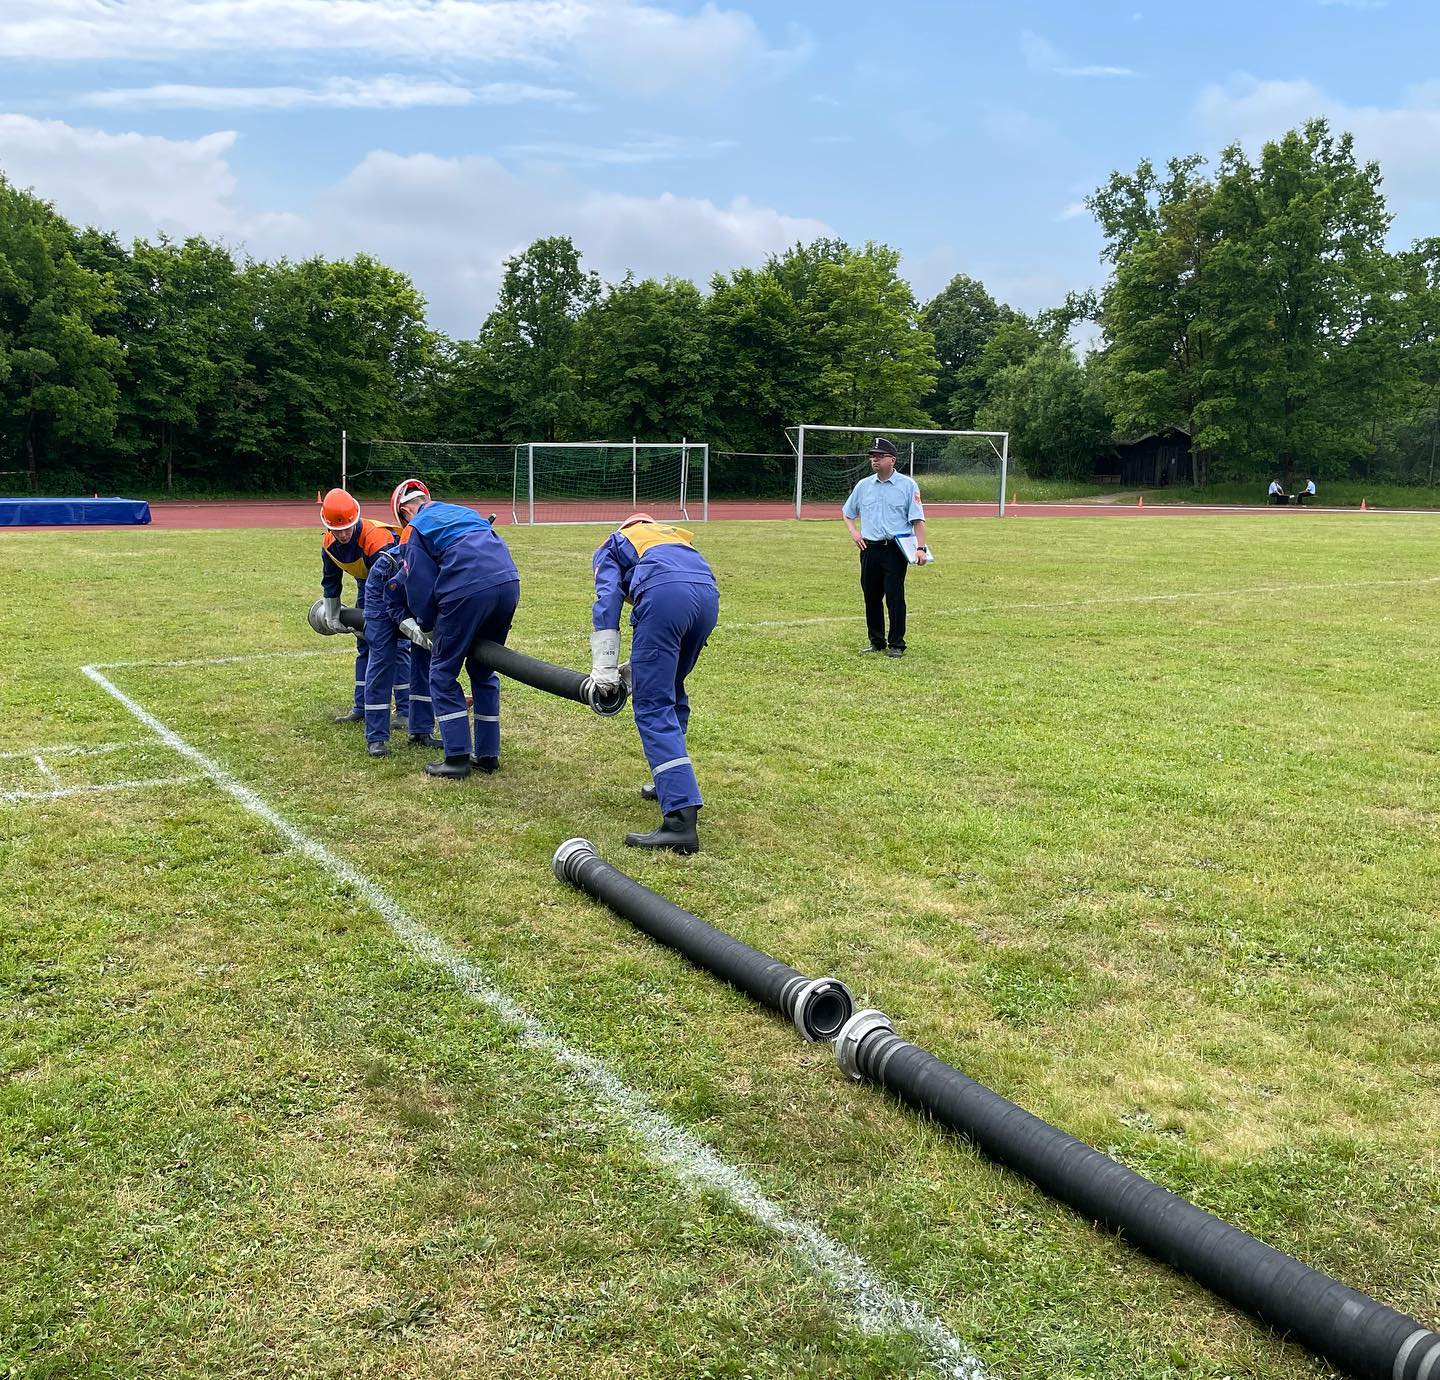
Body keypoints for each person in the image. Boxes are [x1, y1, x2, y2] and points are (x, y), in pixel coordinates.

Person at [590, 513, 719, 854]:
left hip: (665, 595)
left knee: (652, 704)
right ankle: (670, 784)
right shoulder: (673, 536)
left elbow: (608, 597)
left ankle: (679, 820)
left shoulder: (615, 543)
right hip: (707, 596)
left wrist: (604, 665)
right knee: (672, 691)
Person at [394, 483, 520, 780]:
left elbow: (419, 584)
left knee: (442, 673)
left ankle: (457, 757)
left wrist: (427, 626)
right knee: (484, 669)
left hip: (466, 589)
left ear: (404, 511)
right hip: (508, 582)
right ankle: (488, 753)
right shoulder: (463, 512)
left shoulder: (415, 528)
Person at [356, 479, 442, 758]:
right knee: (382, 660)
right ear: (407, 512)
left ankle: (421, 730)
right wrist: (408, 624)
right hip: (386, 587)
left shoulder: (436, 523)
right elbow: (395, 593)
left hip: (417, 586)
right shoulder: (417, 532)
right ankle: (376, 737)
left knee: (424, 660)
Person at [318, 487, 410, 725]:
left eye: (347, 528)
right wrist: (332, 614)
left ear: (356, 519)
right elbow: (331, 580)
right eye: (337, 530)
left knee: (397, 645)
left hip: (395, 584)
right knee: (365, 643)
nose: (343, 534)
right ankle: (362, 706)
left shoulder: (376, 538)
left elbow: (389, 583)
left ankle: (406, 711)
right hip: (366, 582)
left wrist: (379, 619)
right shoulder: (329, 544)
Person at [841, 438, 929, 657]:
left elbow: (918, 520)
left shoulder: (907, 485)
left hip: (894, 549)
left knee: (894, 597)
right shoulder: (864, 486)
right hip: (869, 549)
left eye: (880, 456)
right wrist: (854, 533)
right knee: (871, 596)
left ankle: (897, 644)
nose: (875, 460)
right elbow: (847, 512)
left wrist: (921, 548)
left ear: (892, 460)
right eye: (872, 456)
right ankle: (876, 641)